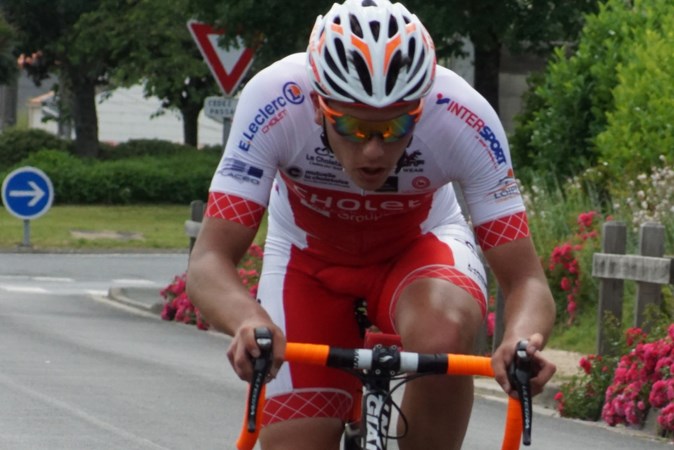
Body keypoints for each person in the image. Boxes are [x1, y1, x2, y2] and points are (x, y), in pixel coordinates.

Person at [186, 0, 557, 448]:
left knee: (442, 333)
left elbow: (525, 280)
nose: (374, 151)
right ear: (319, 106)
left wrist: (520, 341)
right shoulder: (274, 100)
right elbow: (209, 260)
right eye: (354, 127)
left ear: (420, 108)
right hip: (306, 262)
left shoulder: (463, 116)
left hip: (418, 251)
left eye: (396, 127)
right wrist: (248, 320)